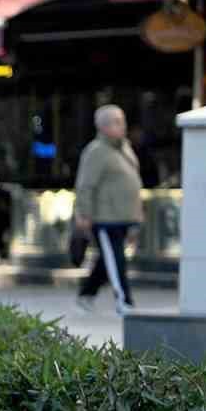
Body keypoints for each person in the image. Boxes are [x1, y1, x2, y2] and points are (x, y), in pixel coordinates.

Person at [73, 104, 143, 314]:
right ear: (103, 127)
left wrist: (138, 214)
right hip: (105, 218)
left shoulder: (125, 148)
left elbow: (134, 182)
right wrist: (83, 213)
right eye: (117, 122)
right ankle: (125, 301)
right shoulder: (96, 151)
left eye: (122, 121)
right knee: (116, 261)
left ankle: (86, 294)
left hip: (124, 217)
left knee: (107, 260)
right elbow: (85, 185)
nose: (122, 126)